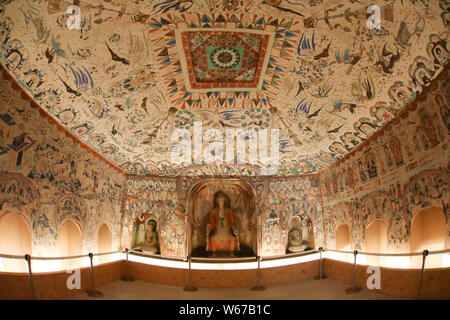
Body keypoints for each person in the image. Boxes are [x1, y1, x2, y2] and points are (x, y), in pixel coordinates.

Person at [206, 191, 239, 257]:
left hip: (226, 230)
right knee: (213, 238)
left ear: (225, 201)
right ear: (217, 201)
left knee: (232, 238)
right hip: (218, 230)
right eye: (219, 200)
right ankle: (214, 253)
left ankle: (231, 252)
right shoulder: (214, 211)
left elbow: (232, 222)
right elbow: (212, 222)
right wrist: (208, 227)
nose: (221, 201)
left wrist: (234, 228)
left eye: (222, 200)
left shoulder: (229, 211)